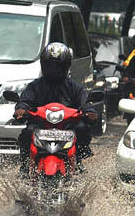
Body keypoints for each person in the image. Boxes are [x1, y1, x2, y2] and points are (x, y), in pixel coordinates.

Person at [13, 42, 97, 173]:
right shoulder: (35, 86)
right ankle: (25, 166)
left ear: (67, 66)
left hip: (68, 128)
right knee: (27, 132)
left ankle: (78, 161)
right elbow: (25, 101)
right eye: (50, 65)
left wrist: (90, 112)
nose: (54, 69)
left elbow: (85, 103)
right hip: (40, 127)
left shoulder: (75, 87)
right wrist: (21, 110)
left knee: (82, 128)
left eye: (59, 66)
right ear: (43, 65)